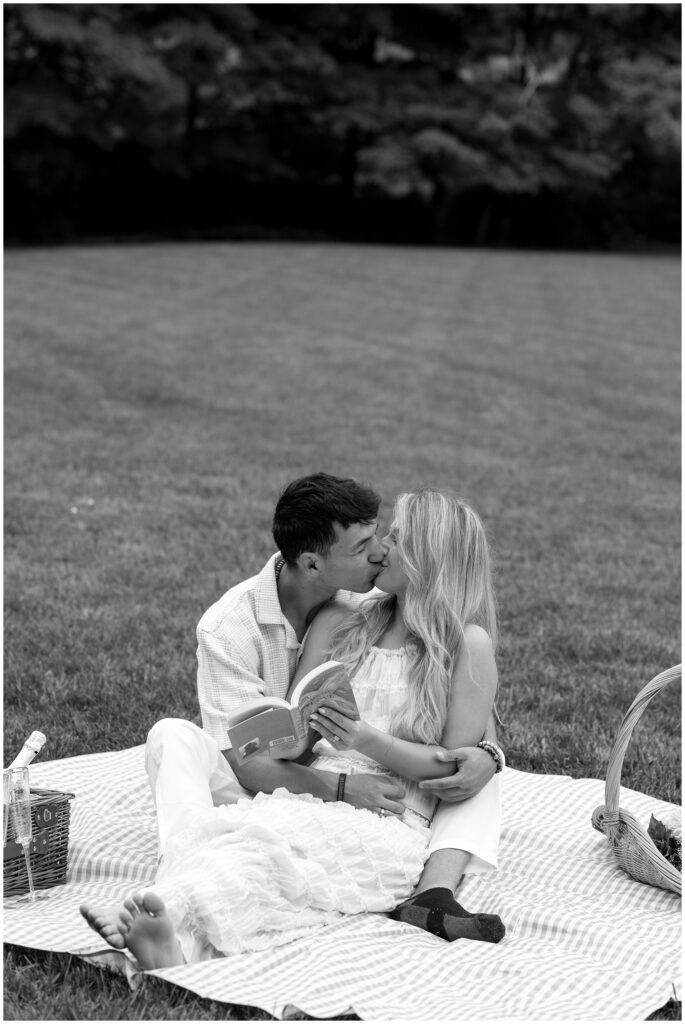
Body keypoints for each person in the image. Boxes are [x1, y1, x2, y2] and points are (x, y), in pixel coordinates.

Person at [81, 489, 505, 968]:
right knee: (250, 844)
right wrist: (290, 733)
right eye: (379, 537)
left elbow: (450, 764)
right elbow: (296, 739)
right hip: (313, 794)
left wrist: (366, 739)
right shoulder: (343, 619)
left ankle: (164, 924)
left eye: (396, 537)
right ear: (311, 563)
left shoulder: (466, 644)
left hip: (393, 817)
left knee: (275, 861)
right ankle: (167, 937)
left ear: (430, 559)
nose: (383, 547)